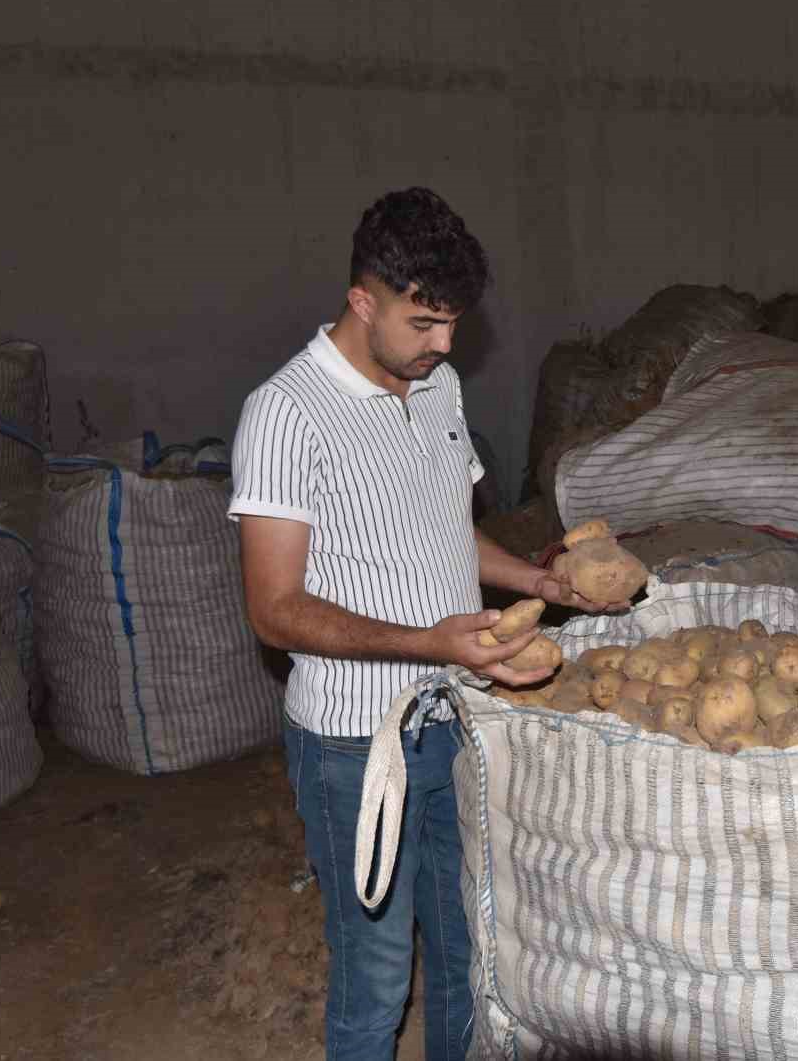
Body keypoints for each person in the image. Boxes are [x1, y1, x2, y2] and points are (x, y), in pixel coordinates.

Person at [228, 186, 612, 1060]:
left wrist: (545, 580)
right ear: (364, 301)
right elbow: (274, 608)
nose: (446, 345)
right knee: (374, 975)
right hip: (356, 744)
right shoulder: (285, 415)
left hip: (457, 716)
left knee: (467, 947)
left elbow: (446, 528)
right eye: (425, 323)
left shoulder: (432, 387)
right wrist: (428, 641)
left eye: (454, 325)